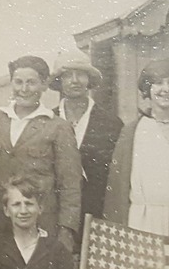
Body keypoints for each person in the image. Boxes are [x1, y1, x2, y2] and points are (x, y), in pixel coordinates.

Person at [0, 56, 81, 251]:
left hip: (42, 223)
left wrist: (66, 229)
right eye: (18, 82)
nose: (24, 89)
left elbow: (70, 184)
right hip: (3, 222)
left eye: (31, 82)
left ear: (44, 85)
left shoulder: (58, 127)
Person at [103, 59, 169, 239]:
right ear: (147, 90)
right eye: (158, 83)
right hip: (144, 222)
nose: (166, 89)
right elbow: (118, 187)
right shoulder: (133, 130)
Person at [52, 50, 123, 226]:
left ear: (89, 79)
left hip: (96, 217)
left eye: (80, 74)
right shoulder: (47, 120)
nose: (74, 80)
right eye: (68, 75)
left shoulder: (111, 124)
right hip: (54, 215)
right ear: (59, 81)